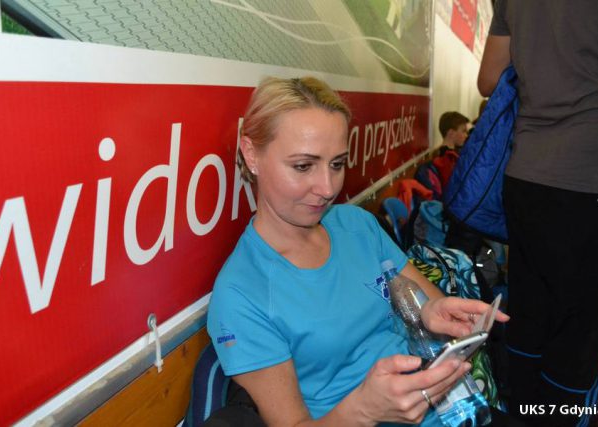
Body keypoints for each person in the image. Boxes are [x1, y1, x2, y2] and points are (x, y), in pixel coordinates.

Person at [207, 76, 509, 426]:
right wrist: (363, 410)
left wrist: (433, 313)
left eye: (337, 164)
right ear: (251, 154)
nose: (327, 188)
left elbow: (425, 302)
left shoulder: (355, 224)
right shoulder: (242, 294)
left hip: (449, 407)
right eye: (303, 166)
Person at [478, 1, 598, 426]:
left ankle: (524, 416)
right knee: (587, 336)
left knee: (531, 319)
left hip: (527, 176)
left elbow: (489, 79)